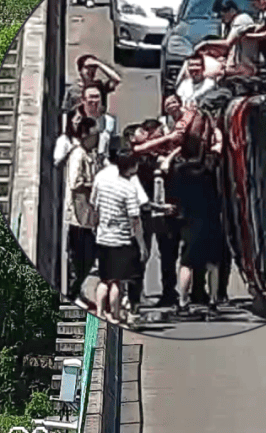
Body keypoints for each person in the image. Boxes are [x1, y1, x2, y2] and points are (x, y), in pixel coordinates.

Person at [167, 114, 224, 314]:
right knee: (213, 263)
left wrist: (175, 152)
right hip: (210, 218)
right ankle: (213, 301)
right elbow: (219, 147)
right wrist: (216, 131)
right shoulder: (208, 165)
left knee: (186, 263)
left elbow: (166, 166)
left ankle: (183, 301)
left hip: (189, 219)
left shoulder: (180, 169)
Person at [91, 149, 150, 324]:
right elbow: (135, 219)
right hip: (121, 239)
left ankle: (101, 312)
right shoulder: (129, 188)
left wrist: (97, 226)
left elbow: (94, 205)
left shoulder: (102, 181)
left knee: (104, 279)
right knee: (117, 281)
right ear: (132, 167)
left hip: (103, 236)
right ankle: (115, 315)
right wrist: (141, 244)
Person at [128, 122, 181, 307]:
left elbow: (181, 146)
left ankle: (169, 293)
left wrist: (169, 155)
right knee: (143, 254)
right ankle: (135, 297)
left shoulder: (166, 156)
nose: (161, 139)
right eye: (157, 135)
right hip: (147, 212)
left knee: (168, 255)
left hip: (167, 214)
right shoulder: (141, 157)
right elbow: (137, 150)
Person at [64, 117, 100, 299]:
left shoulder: (90, 155)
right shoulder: (78, 154)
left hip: (88, 218)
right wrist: (93, 184)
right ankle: (73, 295)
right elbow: (74, 183)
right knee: (80, 262)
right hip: (78, 218)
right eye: (94, 135)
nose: (97, 139)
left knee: (89, 259)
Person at [213, 0, 261, 77]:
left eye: (222, 15)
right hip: (237, 65)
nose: (222, 19)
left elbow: (228, 43)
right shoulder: (230, 24)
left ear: (231, 10)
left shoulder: (241, 19)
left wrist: (205, 44)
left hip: (247, 66)